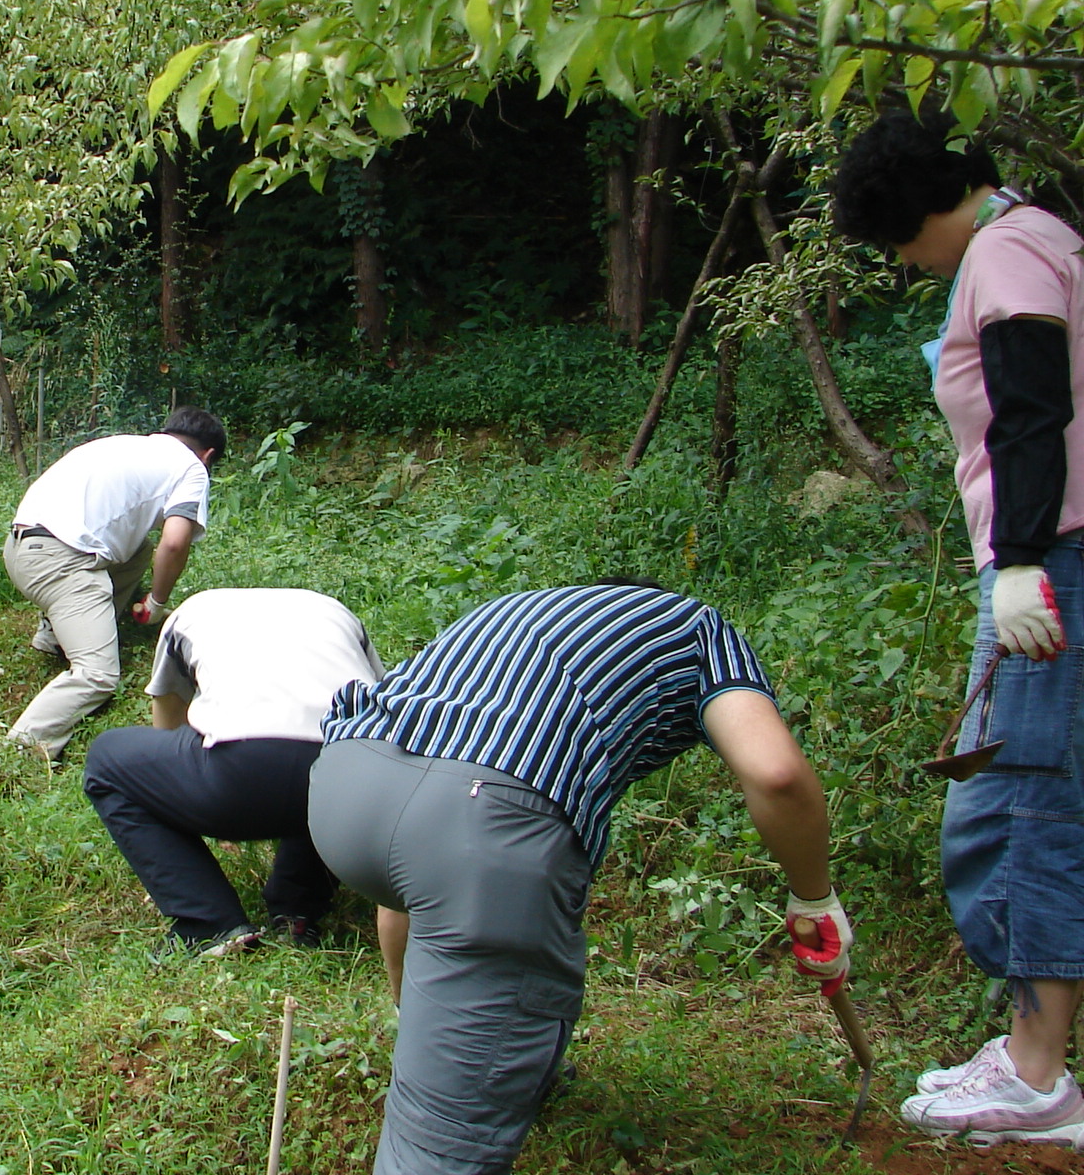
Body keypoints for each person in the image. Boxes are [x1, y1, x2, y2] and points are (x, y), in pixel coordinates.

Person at [309, 583, 845, 1175]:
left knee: (437, 892)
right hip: (478, 823)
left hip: (344, 784)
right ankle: (456, 1090)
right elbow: (776, 774)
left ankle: (465, 1053)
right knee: (438, 1153)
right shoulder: (699, 629)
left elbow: (417, 877)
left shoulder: (520, 609)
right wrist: (813, 898)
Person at [835, 112, 1084, 1146]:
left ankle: (1035, 1080)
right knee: (994, 801)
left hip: (1052, 559)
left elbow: (1031, 411)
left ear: (912, 209)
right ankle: (1030, 1054)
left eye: (892, 243)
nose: (899, 265)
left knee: (1024, 806)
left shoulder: (1005, 248)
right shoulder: (1042, 236)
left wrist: (1022, 560)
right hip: (1038, 556)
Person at [83, 587, 383, 955]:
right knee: (323, 751)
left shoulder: (190, 614)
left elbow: (167, 718)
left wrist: (185, 795)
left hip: (242, 775)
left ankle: (207, 922)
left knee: (106, 760)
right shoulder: (337, 612)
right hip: (356, 788)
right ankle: (298, 912)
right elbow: (378, 707)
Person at [4, 406, 225, 760]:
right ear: (208, 455)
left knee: (137, 550)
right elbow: (175, 542)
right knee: (98, 675)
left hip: (20, 549)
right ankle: (22, 748)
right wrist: (157, 602)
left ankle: (55, 635)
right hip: (60, 563)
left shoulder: (124, 444)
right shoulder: (191, 468)